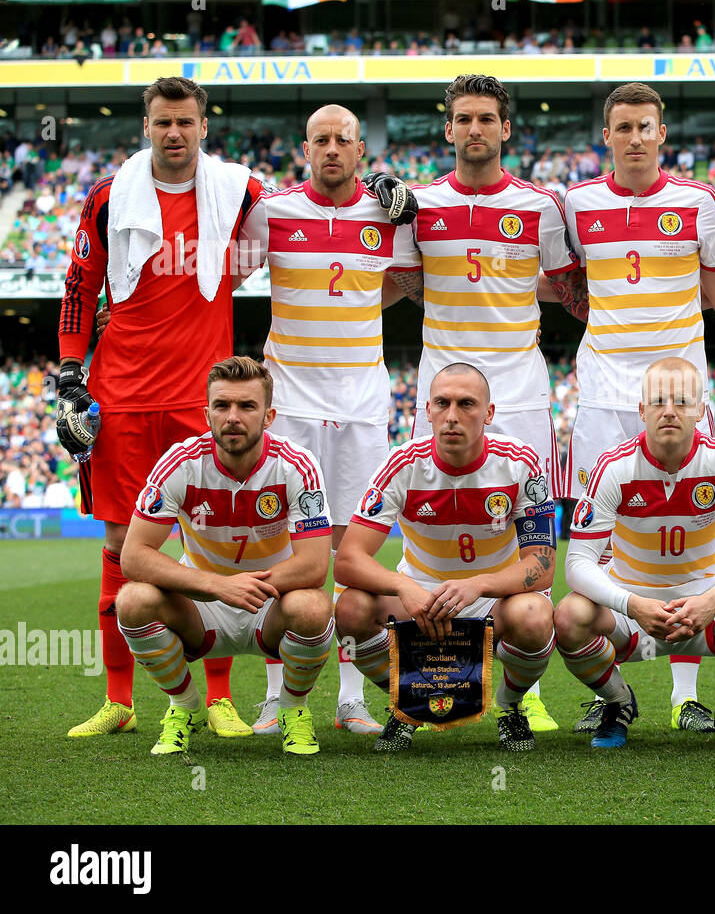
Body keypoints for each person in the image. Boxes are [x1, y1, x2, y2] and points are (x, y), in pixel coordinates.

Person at [58, 76, 265, 740]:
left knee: (214, 549)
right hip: (120, 399)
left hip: (203, 403)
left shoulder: (239, 192)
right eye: (162, 122)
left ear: (205, 127)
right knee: (120, 546)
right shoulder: (109, 197)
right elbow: (79, 284)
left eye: (185, 122)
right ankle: (120, 701)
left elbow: (309, 212)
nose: (174, 132)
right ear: (145, 127)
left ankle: (220, 699)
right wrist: (68, 368)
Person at [562, 82, 715, 733]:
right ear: (608, 135)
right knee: (610, 534)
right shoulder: (577, 202)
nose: (634, 138)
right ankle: (615, 692)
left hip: (676, 391)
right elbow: (562, 283)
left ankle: (685, 695)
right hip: (600, 390)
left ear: (661, 133)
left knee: (687, 522)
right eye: (623, 127)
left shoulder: (698, 200)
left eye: (645, 126)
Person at [406, 73, 584, 732]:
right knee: (439, 527)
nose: (475, 129)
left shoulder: (540, 204)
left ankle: (524, 691)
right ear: (448, 129)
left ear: (506, 129)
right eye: (464, 118)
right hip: (444, 383)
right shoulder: (418, 203)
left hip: (521, 387)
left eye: (487, 118)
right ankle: (434, 679)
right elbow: (399, 276)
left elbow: (567, 284)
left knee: (528, 528)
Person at [238, 104, 421, 737]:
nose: (333, 149)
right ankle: (276, 698)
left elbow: (407, 280)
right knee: (282, 550)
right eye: (322, 140)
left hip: (363, 404)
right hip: (289, 402)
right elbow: (221, 278)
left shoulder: (387, 212)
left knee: (350, 552)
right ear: (305, 149)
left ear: (362, 150)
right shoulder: (274, 211)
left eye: (344, 139)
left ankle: (350, 699)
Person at [557, 358, 715, 751]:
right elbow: (577, 564)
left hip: (708, 610)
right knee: (569, 615)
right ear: (642, 410)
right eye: (658, 401)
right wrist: (632, 604)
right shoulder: (613, 467)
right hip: (632, 611)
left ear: (701, 410)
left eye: (682, 401)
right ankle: (618, 703)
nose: (669, 410)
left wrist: (713, 599)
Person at [332, 362, 558, 753]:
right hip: (419, 601)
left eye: (467, 404)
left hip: (490, 601)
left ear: (488, 413)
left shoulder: (520, 462)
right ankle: (410, 703)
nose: (453, 416)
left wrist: (478, 585)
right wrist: (404, 586)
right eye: (443, 403)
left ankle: (509, 706)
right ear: (427, 410)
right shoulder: (402, 464)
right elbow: (348, 560)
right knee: (350, 608)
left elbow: (542, 566)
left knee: (535, 615)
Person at [115, 357, 334, 756]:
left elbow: (315, 565)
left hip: (270, 603)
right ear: (207, 413)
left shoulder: (296, 465)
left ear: (268, 416)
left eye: (246, 407)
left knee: (314, 607)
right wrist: (217, 585)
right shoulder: (180, 463)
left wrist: (246, 586)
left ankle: (293, 711)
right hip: (202, 607)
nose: (232, 417)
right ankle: (184, 708)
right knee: (131, 600)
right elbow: (134, 557)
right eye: (222, 406)